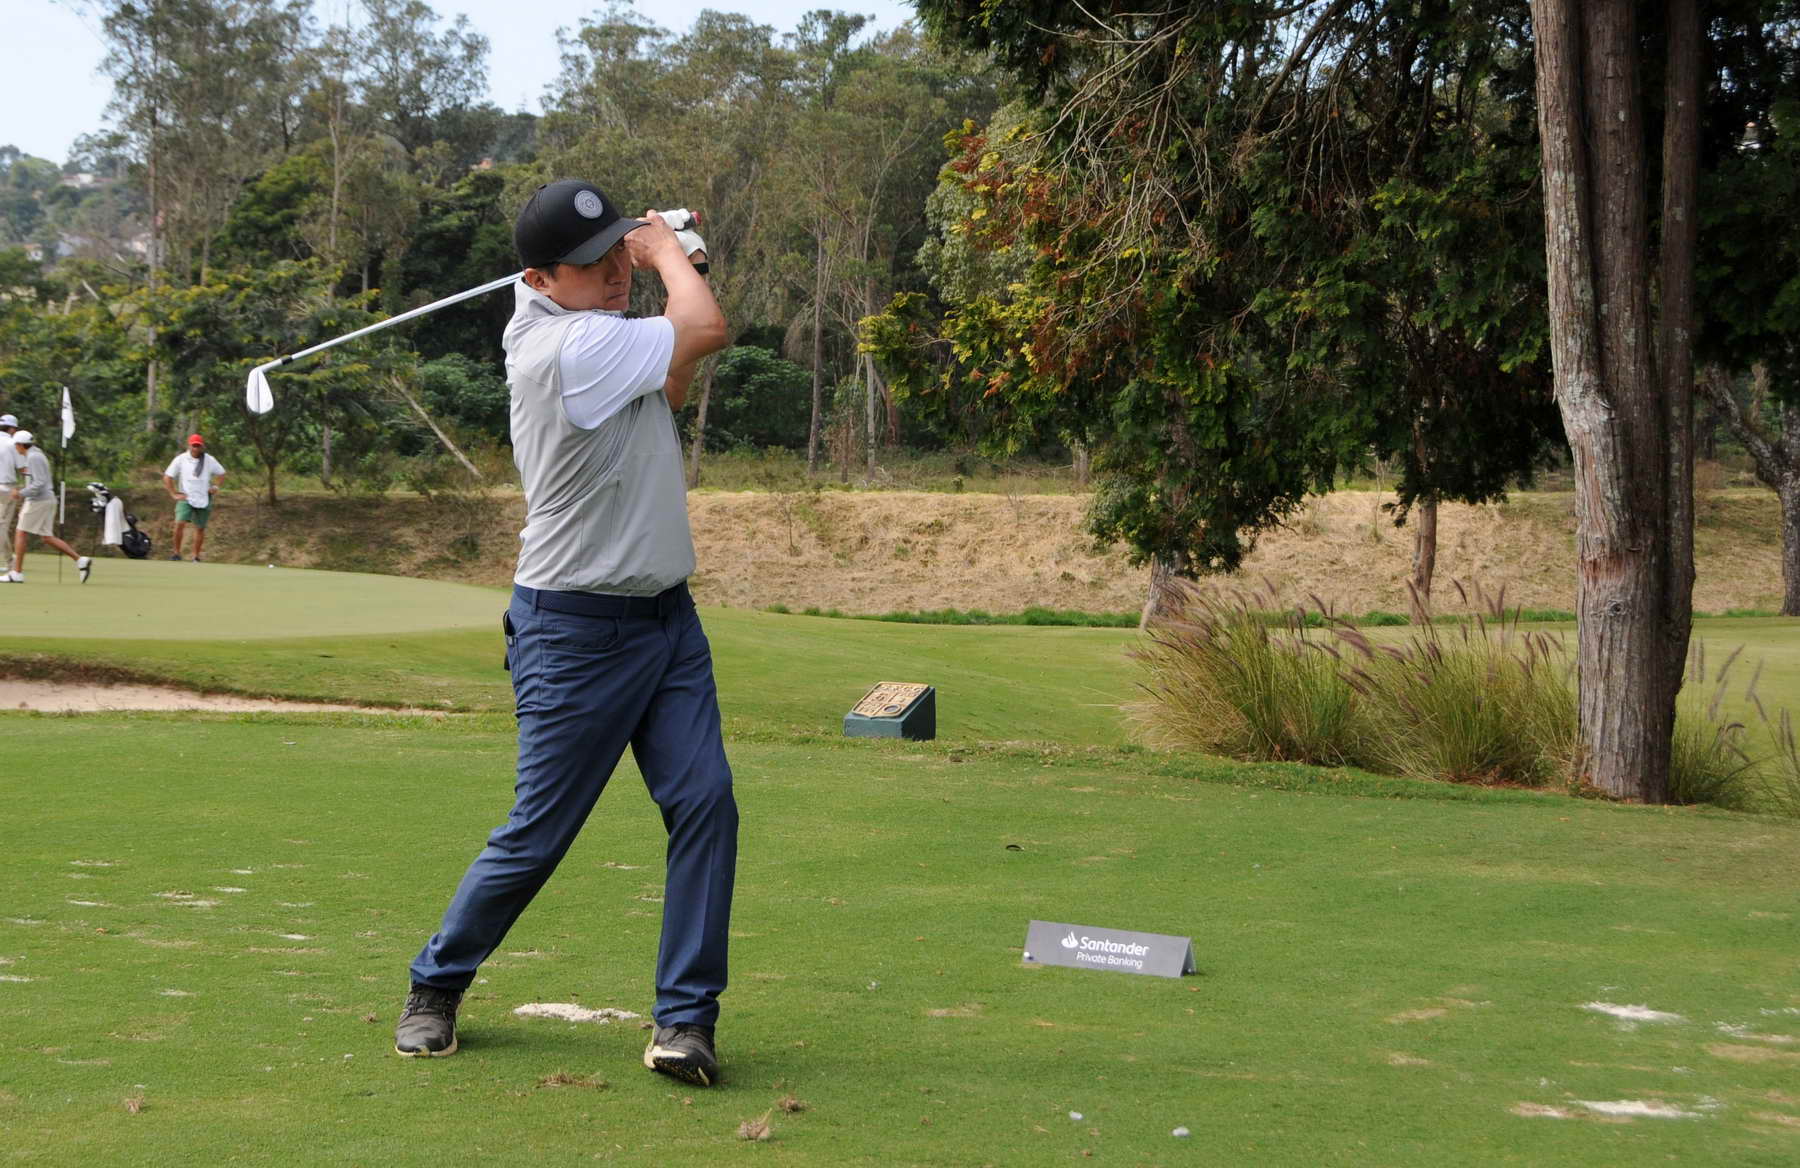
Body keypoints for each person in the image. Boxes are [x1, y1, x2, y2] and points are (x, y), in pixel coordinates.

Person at [395, 180, 735, 1088]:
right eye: (593, 264)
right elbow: (703, 329)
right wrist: (670, 259)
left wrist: (670, 266)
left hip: (667, 621)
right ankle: (436, 984)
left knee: (706, 802)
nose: (616, 272)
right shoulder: (564, 348)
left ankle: (685, 1019)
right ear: (540, 280)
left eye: (619, 250)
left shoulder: (598, 330)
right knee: (540, 830)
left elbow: (673, 379)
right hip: (576, 630)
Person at [5, 430, 90, 584]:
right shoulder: (36, 453)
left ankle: (16, 573)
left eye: (16, 445)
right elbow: (38, 479)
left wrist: (21, 493)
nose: (15, 449)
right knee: (47, 537)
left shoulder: (33, 457)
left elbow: (39, 483)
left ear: (20, 445)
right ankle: (80, 560)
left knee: (21, 532)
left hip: (38, 501)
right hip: (46, 499)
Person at [162, 434, 225, 561]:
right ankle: (176, 553)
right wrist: (173, 494)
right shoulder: (181, 459)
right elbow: (167, 477)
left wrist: (216, 486)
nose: (196, 448)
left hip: (203, 497)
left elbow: (221, 473)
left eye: (198, 446)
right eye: (194, 445)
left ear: (202, 446)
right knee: (179, 523)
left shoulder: (209, 459)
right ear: (189, 445)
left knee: (200, 528)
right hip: (186, 497)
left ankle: (196, 556)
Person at [0, 415, 20, 545]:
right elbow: (22, 467)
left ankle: (8, 557)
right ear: (12, 429)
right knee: (3, 525)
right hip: (7, 488)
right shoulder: (13, 443)